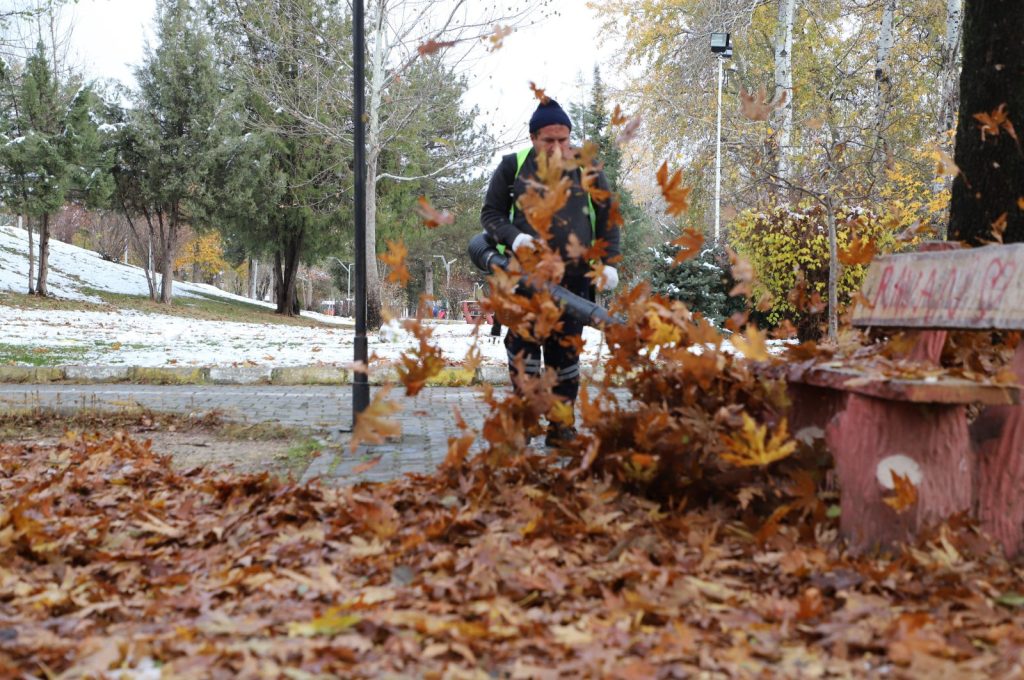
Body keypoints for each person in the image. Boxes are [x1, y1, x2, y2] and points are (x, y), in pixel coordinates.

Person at [480, 98, 621, 447]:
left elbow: (609, 219)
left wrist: (608, 263)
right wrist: (515, 238)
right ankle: (525, 422)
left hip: (574, 283)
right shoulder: (513, 167)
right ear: (533, 138)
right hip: (523, 282)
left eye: (564, 139)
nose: (558, 147)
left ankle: (561, 428)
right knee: (523, 355)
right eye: (549, 140)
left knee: (565, 355)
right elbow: (491, 215)